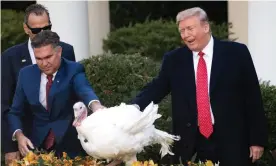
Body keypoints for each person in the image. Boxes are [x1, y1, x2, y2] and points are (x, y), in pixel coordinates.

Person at [131, 7, 267, 166]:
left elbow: (252, 97)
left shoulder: (236, 53)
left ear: (205, 27)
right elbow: (156, 89)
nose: (185, 35)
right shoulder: (174, 60)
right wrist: (130, 109)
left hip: (232, 141)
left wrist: (257, 140)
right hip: (191, 142)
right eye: (181, 30)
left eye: (190, 28)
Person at [6, 30, 100, 160]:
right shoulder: (25, 74)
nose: (44, 63)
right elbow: (14, 112)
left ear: (59, 51)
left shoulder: (74, 69)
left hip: (71, 148)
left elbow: (84, 90)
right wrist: (19, 135)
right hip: (37, 149)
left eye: (48, 57)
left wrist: (96, 106)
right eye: (39, 59)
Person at [1, 4, 75, 164]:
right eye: (36, 30)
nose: (42, 33)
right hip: (27, 143)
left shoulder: (66, 51)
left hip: (63, 142)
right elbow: (4, 105)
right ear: (26, 29)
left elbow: (73, 94)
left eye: (46, 28)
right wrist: (9, 146)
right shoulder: (10, 57)